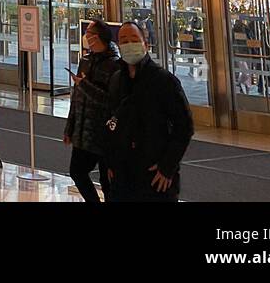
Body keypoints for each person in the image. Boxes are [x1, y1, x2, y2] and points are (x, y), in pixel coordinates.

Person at [104, 20, 193, 202]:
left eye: (133, 39)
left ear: (145, 43)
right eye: (124, 41)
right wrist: (111, 162)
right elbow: (110, 121)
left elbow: (184, 126)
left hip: (153, 176)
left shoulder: (163, 81)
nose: (129, 45)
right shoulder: (116, 81)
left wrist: (167, 166)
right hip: (122, 176)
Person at [62, 19, 121, 202]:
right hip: (83, 131)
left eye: (89, 33)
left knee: (108, 181)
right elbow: (77, 98)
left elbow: (111, 101)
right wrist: (69, 127)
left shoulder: (115, 65)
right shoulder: (85, 61)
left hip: (105, 133)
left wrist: (85, 85)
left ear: (98, 37)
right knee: (77, 172)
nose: (85, 36)